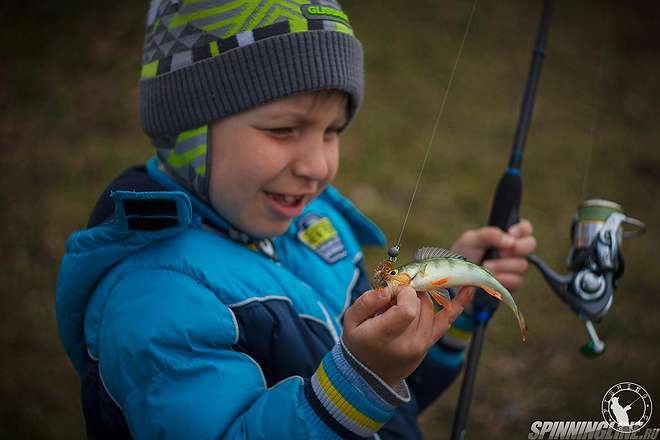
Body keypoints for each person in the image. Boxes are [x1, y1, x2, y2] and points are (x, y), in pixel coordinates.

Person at [55, 1, 536, 438]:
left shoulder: (308, 220)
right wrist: (358, 380)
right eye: (284, 130)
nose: (318, 167)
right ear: (188, 135)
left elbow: (384, 411)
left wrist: (445, 309)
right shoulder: (156, 302)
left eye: (331, 131)